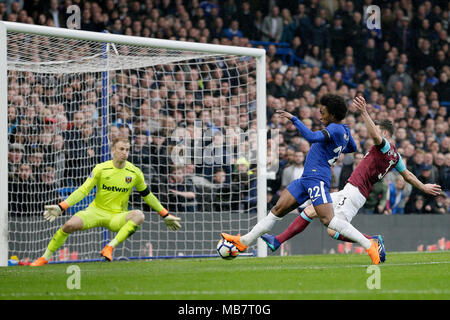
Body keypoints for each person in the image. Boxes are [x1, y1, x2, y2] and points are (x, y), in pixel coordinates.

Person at [261, 96, 442, 261]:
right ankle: (277, 240)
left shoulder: (385, 147)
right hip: (352, 191)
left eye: (378, 130)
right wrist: (424, 187)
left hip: (355, 191)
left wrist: (364, 112)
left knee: (332, 229)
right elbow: (408, 175)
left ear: (385, 134)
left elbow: (374, 136)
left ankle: (372, 240)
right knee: (310, 210)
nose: (375, 133)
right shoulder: (396, 157)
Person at [222, 93, 383, 265]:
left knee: (329, 220)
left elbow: (312, 137)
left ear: (333, 115)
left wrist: (295, 119)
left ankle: (370, 244)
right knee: (277, 210)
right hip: (305, 179)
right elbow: (352, 146)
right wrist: (334, 150)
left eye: (323, 112)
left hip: (317, 178)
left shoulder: (335, 128)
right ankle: (243, 242)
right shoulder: (344, 130)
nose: (320, 116)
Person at [30, 138, 182, 266]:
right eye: (121, 149)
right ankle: (44, 258)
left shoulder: (135, 172)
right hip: (95, 211)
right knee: (69, 225)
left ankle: (109, 247)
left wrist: (164, 214)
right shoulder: (101, 169)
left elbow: (148, 196)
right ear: (113, 150)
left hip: (116, 216)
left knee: (139, 215)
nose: (125, 153)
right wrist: (61, 206)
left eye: (127, 150)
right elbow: (83, 190)